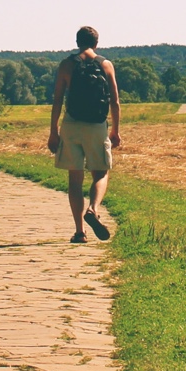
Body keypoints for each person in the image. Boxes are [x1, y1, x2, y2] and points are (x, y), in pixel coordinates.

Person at [49, 25, 121, 243]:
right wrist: (115, 131)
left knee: (74, 179)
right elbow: (115, 101)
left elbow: (58, 100)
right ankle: (93, 208)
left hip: (72, 124)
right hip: (97, 125)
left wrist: (54, 132)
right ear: (96, 43)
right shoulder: (105, 64)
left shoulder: (66, 65)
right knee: (100, 172)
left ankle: (80, 232)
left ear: (77, 42)